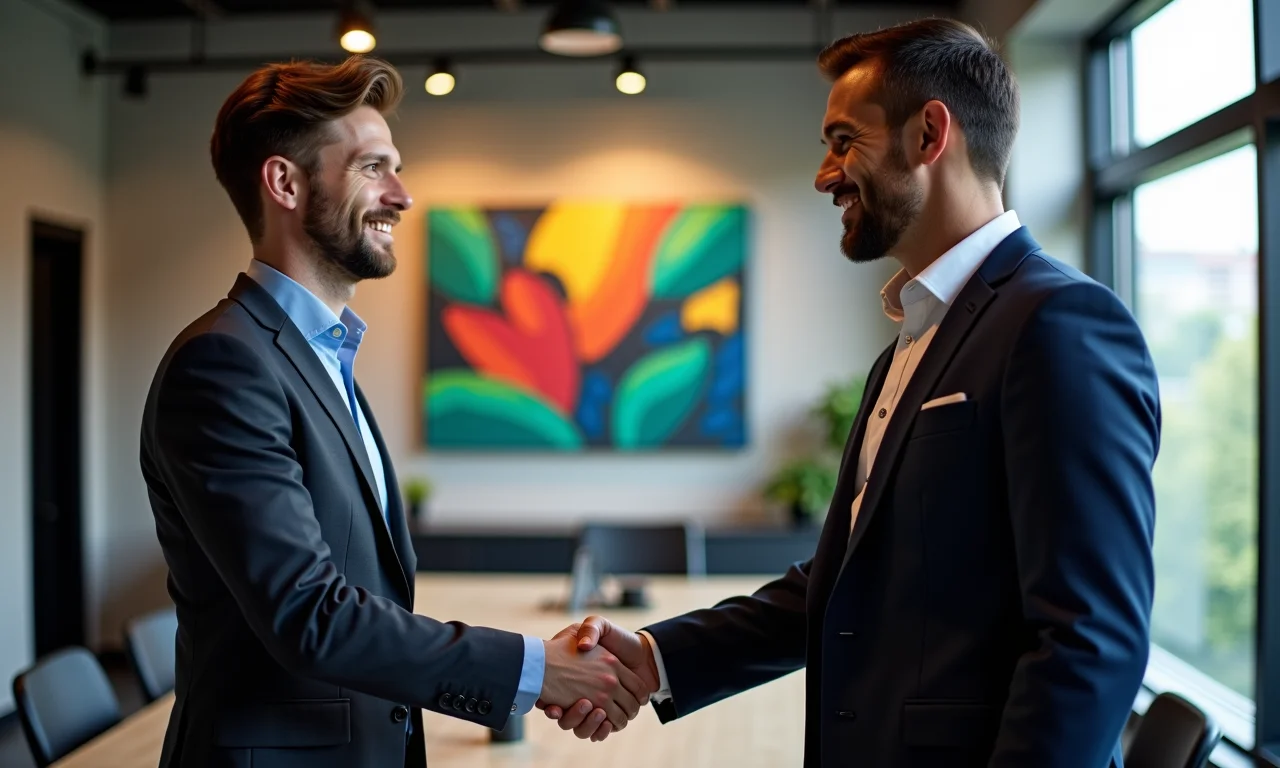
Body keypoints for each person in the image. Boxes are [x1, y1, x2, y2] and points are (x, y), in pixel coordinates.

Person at [541, 17, 1161, 766]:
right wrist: (652, 658)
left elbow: (1090, 637)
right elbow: (844, 584)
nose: (824, 173)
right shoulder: (911, 339)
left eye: (843, 141)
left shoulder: (1059, 322)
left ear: (930, 134)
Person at [139, 56, 649, 768]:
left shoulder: (320, 356)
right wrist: (535, 669)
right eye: (373, 168)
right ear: (285, 182)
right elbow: (308, 614)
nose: (403, 196)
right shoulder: (222, 365)